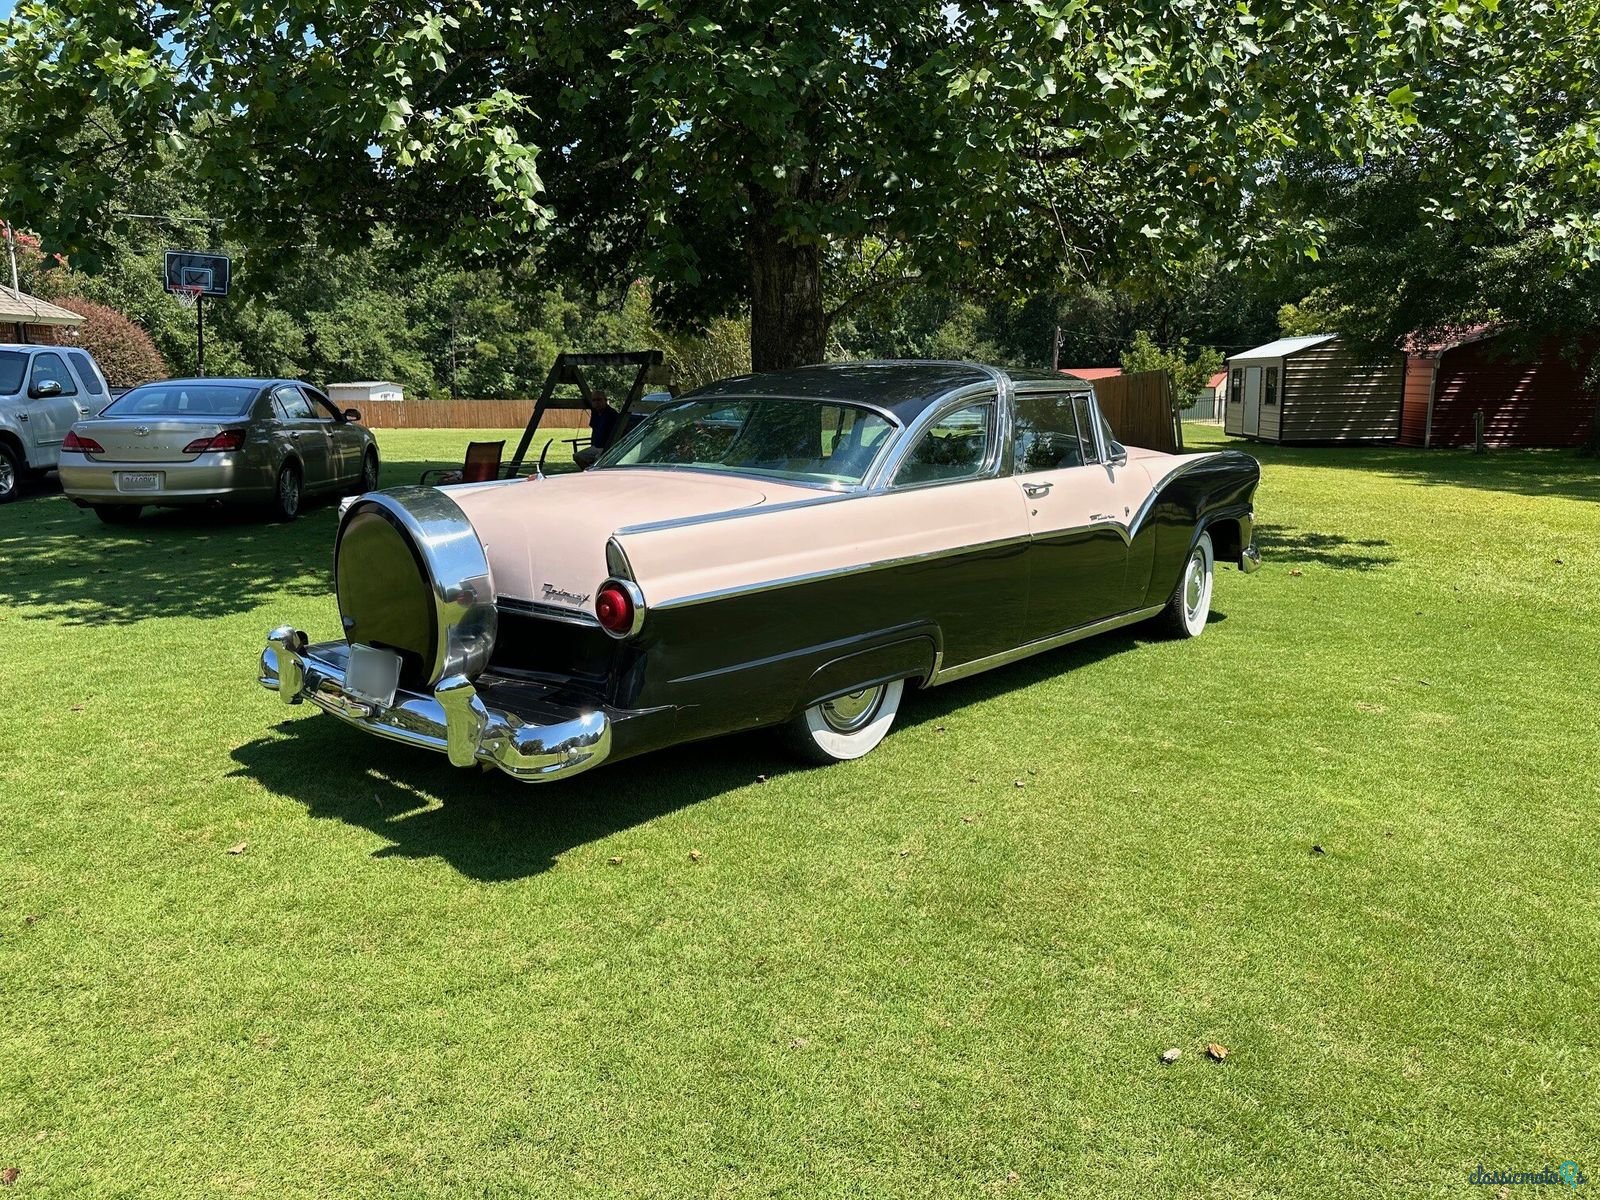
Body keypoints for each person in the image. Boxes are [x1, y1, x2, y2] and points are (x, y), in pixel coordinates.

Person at [574, 391, 619, 469]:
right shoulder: (595, 413)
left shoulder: (612, 414)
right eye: (594, 400)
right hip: (596, 447)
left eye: (599, 399)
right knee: (577, 456)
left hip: (608, 447)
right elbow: (594, 429)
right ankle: (589, 472)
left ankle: (596, 471)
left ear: (605, 400)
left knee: (598, 460)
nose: (596, 402)